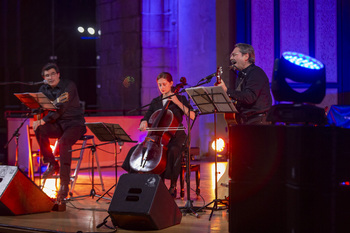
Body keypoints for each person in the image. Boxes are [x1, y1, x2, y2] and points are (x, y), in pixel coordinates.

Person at [122, 72, 196, 197]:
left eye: (164, 84)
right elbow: (146, 117)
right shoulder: (156, 102)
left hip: (176, 136)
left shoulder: (181, 98)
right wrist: (143, 122)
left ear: (171, 84)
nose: (162, 88)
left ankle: (172, 185)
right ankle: (136, 181)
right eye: (159, 85)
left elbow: (193, 116)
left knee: (173, 151)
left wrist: (177, 102)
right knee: (135, 150)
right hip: (158, 138)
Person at [33, 63, 86, 202]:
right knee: (39, 129)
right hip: (58, 125)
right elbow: (39, 107)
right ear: (43, 78)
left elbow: (60, 108)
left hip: (75, 124)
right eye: (47, 75)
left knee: (63, 143)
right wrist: (34, 108)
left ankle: (64, 185)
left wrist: (43, 120)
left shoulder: (69, 86)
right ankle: (52, 163)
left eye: (52, 74)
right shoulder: (43, 89)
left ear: (58, 74)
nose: (50, 77)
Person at [217, 43, 272, 125]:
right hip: (246, 121)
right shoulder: (241, 75)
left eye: (234, 55)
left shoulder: (256, 73)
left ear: (246, 56)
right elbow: (242, 98)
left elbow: (249, 97)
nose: (231, 58)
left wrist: (227, 90)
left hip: (258, 122)